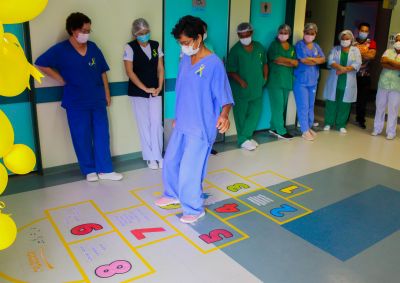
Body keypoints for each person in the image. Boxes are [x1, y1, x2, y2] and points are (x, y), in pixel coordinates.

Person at [155, 16, 234, 224]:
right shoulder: (184, 58)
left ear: (199, 38)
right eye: (181, 43)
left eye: (187, 42)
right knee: (171, 160)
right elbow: (182, 89)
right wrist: (177, 116)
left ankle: (194, 208)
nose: (184, 46)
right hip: (182, 122)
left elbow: (224, 95)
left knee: (191, 168)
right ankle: (172, 195)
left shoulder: (214, 64)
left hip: (201, 124)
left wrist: (224, 115)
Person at [35, 12, 123, 182]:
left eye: (89, 30)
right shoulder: (61, 50)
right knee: (80, 135)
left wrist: (107, 93)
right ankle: (89, 169)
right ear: (72, 30)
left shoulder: (93, 47)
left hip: (97, 99)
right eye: (83, 30)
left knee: (102, 134)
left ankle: (105, 170)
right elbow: (40, 63)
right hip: (75, 101)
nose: (87, 33)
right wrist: (61, 79)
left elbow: (102, 71)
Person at [123, 18, 164, 170]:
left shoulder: (155, 45)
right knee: (144, 125)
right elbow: (129, 72)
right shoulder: (130, 47)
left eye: (146, 32)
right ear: (135, 34)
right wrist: (144, 88)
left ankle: (159, 155)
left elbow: (160, 68)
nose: (144, 35)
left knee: (156, 124)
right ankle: (150, 158)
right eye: (141, 33)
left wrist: (159, 86)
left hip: (155, 90)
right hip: (137, 92)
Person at [227, 22, 268, 150]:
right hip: (241, 90)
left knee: (254, 113)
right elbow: (231, 70)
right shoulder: (235, 50)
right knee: (241, 115)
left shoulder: (259, 47)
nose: (244, 37)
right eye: (241, 35)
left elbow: (265, 63)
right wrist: (241, 82)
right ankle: (242, 139)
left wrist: (264, 77)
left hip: (257, 87)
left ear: (251, 33)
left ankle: (248, 136)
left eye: (247, 34)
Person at [323, 30, 361, 133]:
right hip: (335, 79)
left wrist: (343, 70)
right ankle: (328, 123)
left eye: (347, 39)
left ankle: (341, 124)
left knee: (345, 104)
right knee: (331, 102)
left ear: (351, 39)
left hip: (348, 81)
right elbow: (331, 61)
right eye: (343, 39)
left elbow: (357, 64)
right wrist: (342, 69)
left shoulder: (355, 50)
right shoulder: (335, 49)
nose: (345, 41)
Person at [294, 23, 326, 141]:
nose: (309, 35)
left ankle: (308, 127)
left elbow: (323, 59)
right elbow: (304, 61)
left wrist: (312, 59)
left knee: (311, 106)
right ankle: (304, 130)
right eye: (307, 33)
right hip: (301, 81)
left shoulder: (316, 46)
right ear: (304, 33)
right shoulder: (299, 45)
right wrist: (315, 60)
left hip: (313, 80)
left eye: (312, 34)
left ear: (315, 34)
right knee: (303, 105)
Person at [267, 24, 298, 140]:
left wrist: (283, 62)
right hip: (275, 81)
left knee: (282, 106)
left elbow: (295, 63)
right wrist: (289, 62)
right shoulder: (274, 45)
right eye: (281, 32)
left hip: (286, 80)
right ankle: (281, 130)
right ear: (277, 33)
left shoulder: (291, 47)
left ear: (289, 35)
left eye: (285, 33)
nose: (283, 34)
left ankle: (273, 127)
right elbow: (275, 58)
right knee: (278, 106)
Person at [372, 33, 400, 140]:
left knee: (393, 109)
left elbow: (388, 62)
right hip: (383, 84)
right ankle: (377, 128)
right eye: (397, 40)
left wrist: (390, 62)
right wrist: (396, 65)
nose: (398, 42)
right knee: (380, 106)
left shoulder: (388, 55)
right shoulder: (388, 51)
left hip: (397, 86)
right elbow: (383, 63)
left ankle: (391, 132)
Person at [353, 22, 377, 129]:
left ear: (369, 32)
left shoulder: (371, 43)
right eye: (362, 30)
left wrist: (356, 53)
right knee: (348, 97)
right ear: (358, 30)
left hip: (365, 76)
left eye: (366, 31)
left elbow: (371, 55)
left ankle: (360, 120)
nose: (364, 32)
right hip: (351, 75)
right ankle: (344, 118)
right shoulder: (352, 41)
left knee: (362, 100)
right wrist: (363, 53)